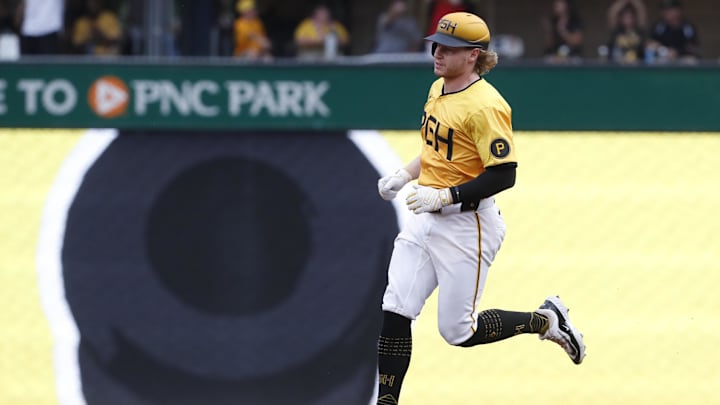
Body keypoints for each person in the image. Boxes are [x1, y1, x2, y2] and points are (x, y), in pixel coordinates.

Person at [375, 11, 586, 404]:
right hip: (427, 218)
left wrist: (445, 196)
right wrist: (405, 174)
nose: (438, 52)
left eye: (449, 48)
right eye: (436, 43)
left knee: (459, 332)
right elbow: (438, 149)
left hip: (466, 223)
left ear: (473, 55)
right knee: (395, 306)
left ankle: (545, 320)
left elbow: (504, 175)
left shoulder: (486, 105)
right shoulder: (439, 87)